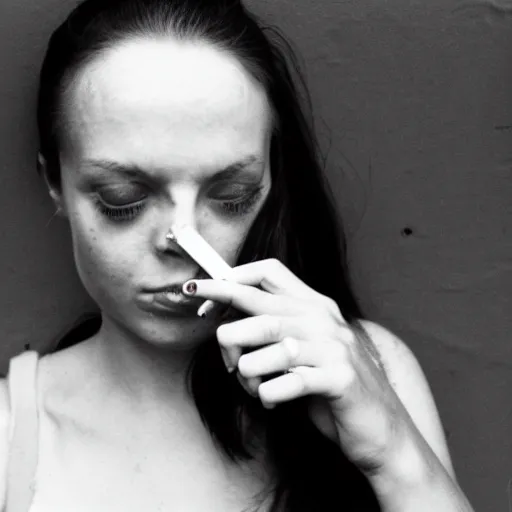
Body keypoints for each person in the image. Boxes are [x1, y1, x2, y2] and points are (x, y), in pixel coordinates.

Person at [0, 0, 474, 510]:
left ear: (270, 179)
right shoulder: (11, 436)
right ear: (55, 182)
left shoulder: (369, 369)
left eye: (232, 195)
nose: (181, 238)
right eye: (123, 198)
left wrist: (395, 455)